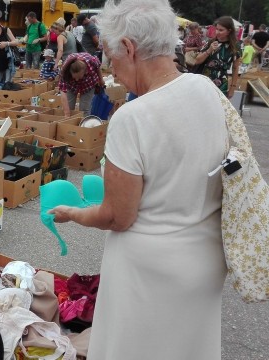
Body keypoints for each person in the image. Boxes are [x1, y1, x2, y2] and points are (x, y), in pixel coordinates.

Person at [49, 0, 229, 359]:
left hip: (151, 272)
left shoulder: (133, 117)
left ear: (129, 48)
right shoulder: (207, 90)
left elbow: (118, 215)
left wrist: (73, 213)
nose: (110, 69)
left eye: (112, 58)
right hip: (205, 261)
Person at [193, 16, 240, 98]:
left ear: (229, 31)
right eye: (216, 29)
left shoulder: (235, 47)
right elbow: (197, 61)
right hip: (205, 81)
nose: (217, 32)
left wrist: (232, 88)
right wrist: (209, 50)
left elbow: (235, 68)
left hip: (221, 83)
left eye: (221, 30)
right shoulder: (211, 42)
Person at [58, 52, 103, 116]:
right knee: (69, 107)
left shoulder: (90, 60)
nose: (77, 80)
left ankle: (83, 124)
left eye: (79, 77)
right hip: (71, 86)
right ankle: (69, 124)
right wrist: (66, 113)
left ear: (86, 71)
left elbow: (98, 66)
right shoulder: (64, 71)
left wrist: (101, 79)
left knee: (84, 109)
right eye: (74, 77)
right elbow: (63, 91)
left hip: (88, 84)